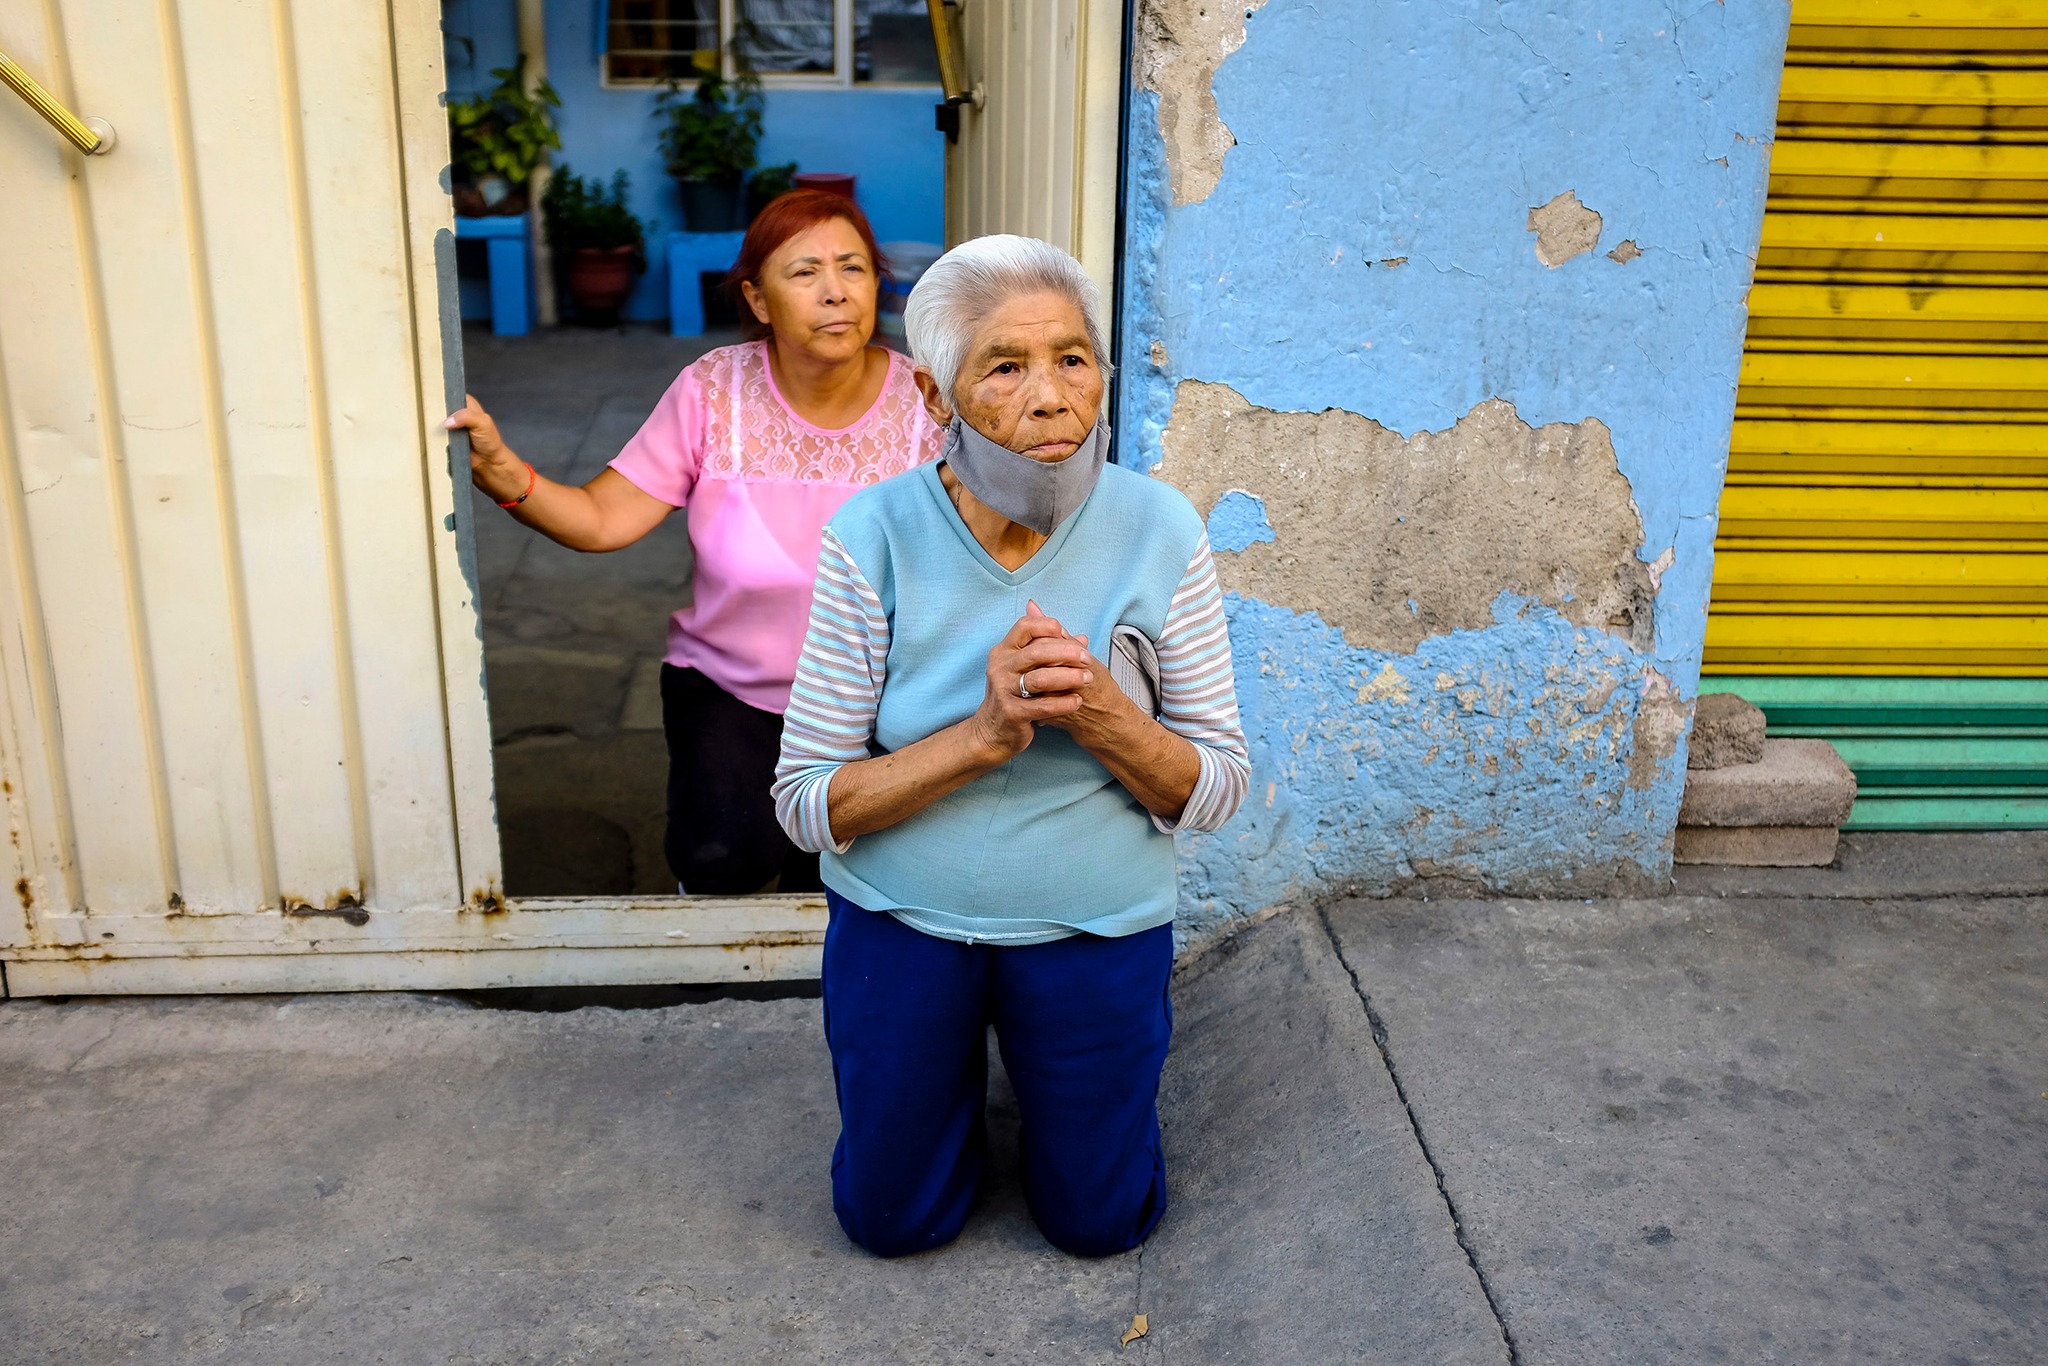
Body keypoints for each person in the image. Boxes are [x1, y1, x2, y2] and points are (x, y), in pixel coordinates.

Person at [771, 235, 1251, 1258]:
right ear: (935, 398)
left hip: (1094, 924)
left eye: (1072, 359)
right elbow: (805, 800)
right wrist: (982, 737)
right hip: (900, 922)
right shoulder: (874, 533)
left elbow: (1215, 791)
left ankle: (1054, 1112)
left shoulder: (1160, 529)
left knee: (1100, 1224)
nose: (1049, 398)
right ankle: (943, 1108)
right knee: (890, 1222)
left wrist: (1103, 714)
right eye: (1005, 366)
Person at [451, 190, 944, 894]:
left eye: (853, 268)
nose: (834, 292)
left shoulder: (926, 403)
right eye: (804, 273)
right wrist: (505, 473)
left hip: (883, 699)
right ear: (760, 299)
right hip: (731, 689)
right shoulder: (714, 391)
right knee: (721, 861)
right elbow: (602, 519)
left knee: (846, 877)